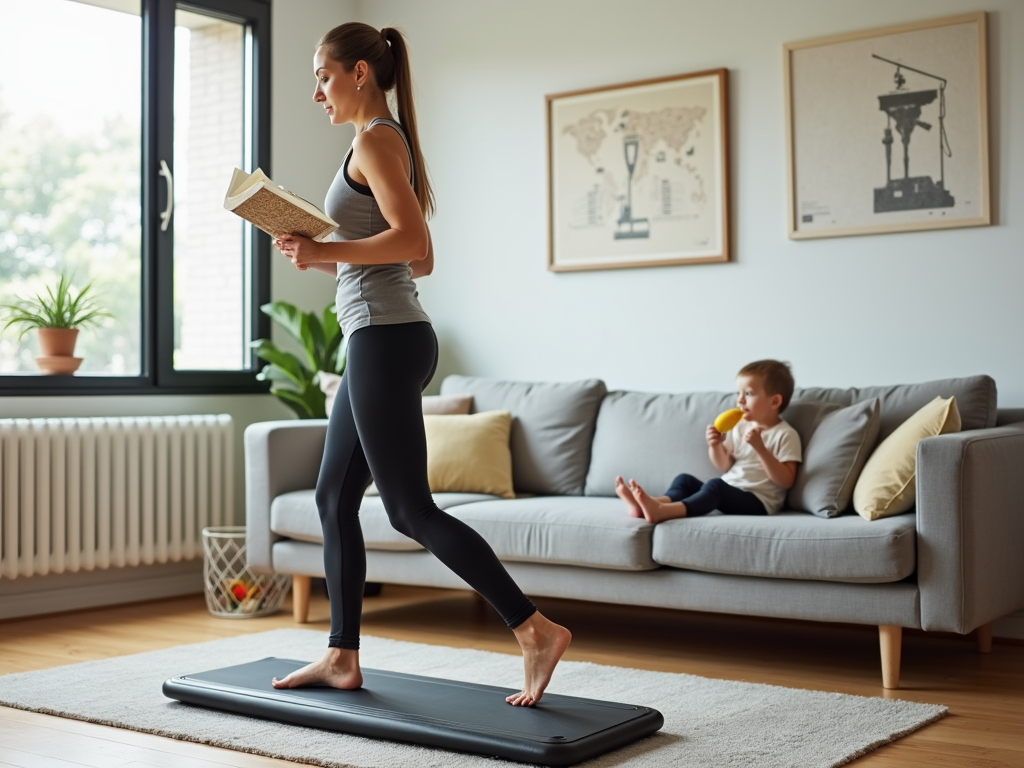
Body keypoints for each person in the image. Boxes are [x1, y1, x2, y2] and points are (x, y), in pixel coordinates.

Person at [268, 23, 570, 707]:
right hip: (380, 335)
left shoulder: (376, 139)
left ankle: (534, 629)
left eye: (323, 74)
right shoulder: (383, 141)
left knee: (407, 509)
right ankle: (342, 656)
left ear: (360, 73)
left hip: (385, 336)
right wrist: (329, 249)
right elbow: (420, 258)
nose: (317, 90)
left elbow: (411, 239)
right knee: (332, 497)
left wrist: (324, 253)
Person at [617, 360, 802, 523]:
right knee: (685, 481)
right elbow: (724, 465)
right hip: (730, 488)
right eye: (739, 393)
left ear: (775, 401)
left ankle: (662, 511)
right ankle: (650, 504)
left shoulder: (785, 434)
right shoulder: (739, 426)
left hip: (759, 501)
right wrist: (716, 445)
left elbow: (785, 481)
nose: (740, 400)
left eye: (749, 393)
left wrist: (760, 448)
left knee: (715, 487)